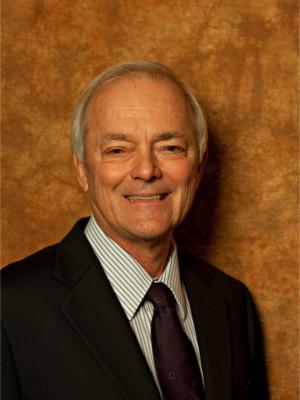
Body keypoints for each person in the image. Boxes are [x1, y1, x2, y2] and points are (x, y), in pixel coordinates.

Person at [1, 61, 269, 400]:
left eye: (170, 147)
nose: (146, 170)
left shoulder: (231, 303)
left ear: (198, 168)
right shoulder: (9, 309)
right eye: (118, 150)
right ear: (82, 169)